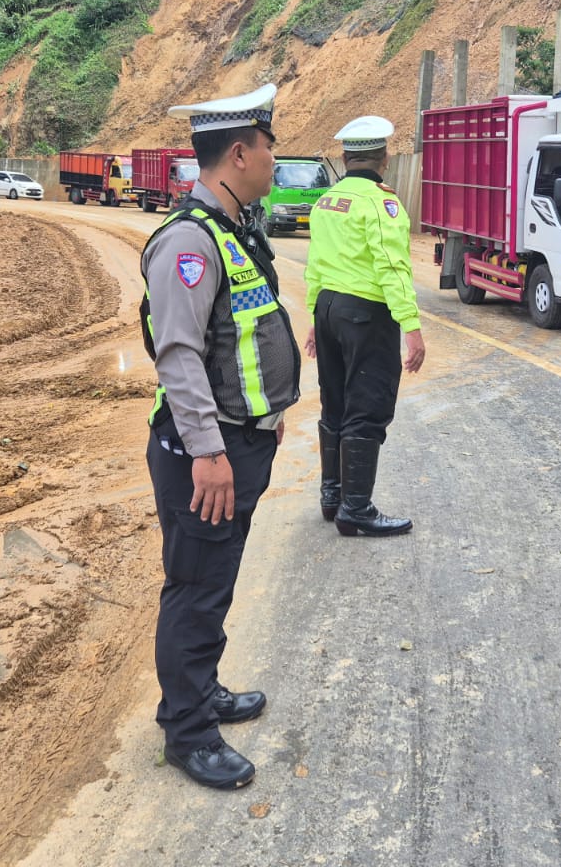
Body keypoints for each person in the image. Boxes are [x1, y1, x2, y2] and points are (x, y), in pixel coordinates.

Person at [138, 82, 301, 790]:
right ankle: (187, 731)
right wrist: (208, 451)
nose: (274, 161)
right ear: (239, 152)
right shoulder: (189, 244)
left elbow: (239, 340)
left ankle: (199, 692)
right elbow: (177, 356)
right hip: (206, 453)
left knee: (215, 582)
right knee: (196, 589)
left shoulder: (235, 229)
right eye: (269, 149)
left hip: (241, 442)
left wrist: (265, 414)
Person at [303, 115, 425, 537]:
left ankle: (332, 495)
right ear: (384, 159)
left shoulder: (326, 202)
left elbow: (315, 265)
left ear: (345, 157)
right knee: (367, 404)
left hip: (329, 310)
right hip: (365, 313)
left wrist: (314, 318)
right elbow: (393, 267)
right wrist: (411, 327)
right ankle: (356, 508)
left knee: (333, 402)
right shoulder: (381, 203)